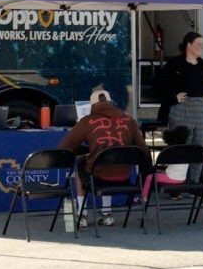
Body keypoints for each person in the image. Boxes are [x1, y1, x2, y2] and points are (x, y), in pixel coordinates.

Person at [59, 89, 150, 227]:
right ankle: (106, 214)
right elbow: (144, 150)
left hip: (98, 176)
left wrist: (86, 150)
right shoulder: (129, 121)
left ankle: (82, 214)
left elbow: (65, 147)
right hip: (124, 175)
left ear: (92, 105)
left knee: (81, 162)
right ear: (110, 102)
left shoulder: (87, 121)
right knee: (109, 162)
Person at [153, 31, 203, 182]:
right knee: (181, 147)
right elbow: (157, 85)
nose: (201, 47)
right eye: (198, 44)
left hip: (200, 111)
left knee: (198, 148)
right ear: (188, 45)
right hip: (180, 110)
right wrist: (172, 98)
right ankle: (176, 183)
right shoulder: (174, 64)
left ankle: (194, 182)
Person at [140, 125, 191, 201]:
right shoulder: (188, 150)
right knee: (170, 172)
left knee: (149, 176)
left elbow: (161, 164)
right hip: (183, 178)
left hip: (170, 177)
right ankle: (175, 194)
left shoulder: (172, 150)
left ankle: (143, 197)